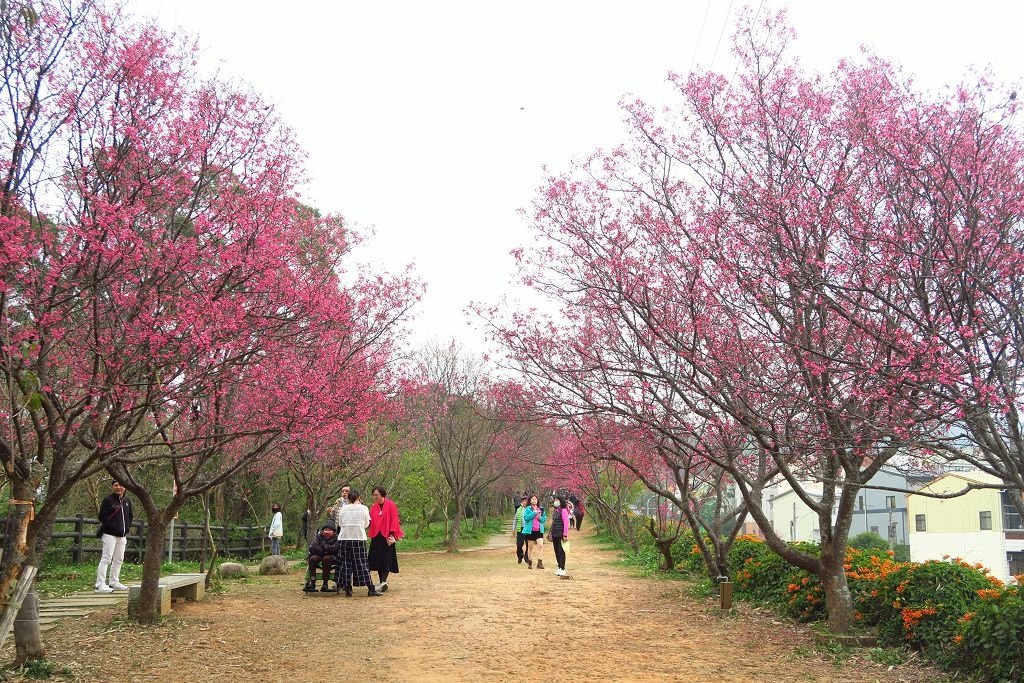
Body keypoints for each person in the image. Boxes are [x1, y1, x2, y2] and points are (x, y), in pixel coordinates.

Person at [337, 488, 384, 597]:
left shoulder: (343, 509)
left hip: (344, 538)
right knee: (362, 564)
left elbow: (340, 523)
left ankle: (347, 587)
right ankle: (370, 588)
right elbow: (367, 523)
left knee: (345, 564)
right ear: (358, 497)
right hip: (358, 538)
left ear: (348, 498)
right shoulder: (363, 508)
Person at [95, 479, 134, 593]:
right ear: (113, 487)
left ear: (125, 487)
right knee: (106, 558)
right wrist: (113, 527)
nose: (119, 487)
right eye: (116, 485)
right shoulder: (108, 500)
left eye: (121, 485)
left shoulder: (127, 501)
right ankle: (100, 584)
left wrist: (126, 528)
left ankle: (114, 581)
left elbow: (130, 516)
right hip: (109, 534)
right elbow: (102, 517)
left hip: (122, 536)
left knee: (119, 559)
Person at [366, 486, 403, 592]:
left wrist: (392, 534)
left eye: (376, 494)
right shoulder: (373, 507)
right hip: (377, 536)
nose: (374, 497)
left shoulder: (391, 505)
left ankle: (383, 581)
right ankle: (381, 582)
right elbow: (370, 521)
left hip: (387, 535)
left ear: (382, 494)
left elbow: (394, 520)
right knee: (378, 559)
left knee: (386, 558)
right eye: (373, 495)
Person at [305, 522, 342, 592]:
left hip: (332, 556)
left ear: (334, 532)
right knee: (312, 559)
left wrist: (324, 546)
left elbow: (336, 549)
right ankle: (312, 582)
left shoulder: (337, 538)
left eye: (329, 530)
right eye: (326, 530)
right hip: (320, 554)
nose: (327, 531)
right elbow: (313, 547)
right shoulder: (318, 537)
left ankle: (325, 583)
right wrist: (325, 550)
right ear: (322, 531)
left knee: (326, 559)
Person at [523, 494, 547, 570]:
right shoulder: (528, 509)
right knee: (530, 548)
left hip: (539, 530)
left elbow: (544, 520)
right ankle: (529, 562)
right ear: (530, 501)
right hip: (530, 531)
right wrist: (534, 513)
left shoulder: (541, 509)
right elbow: (526, 518)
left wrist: (539, 517)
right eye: (532, 499)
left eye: (535, 499)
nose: (534, 500)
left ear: (537, 501)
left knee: (540, 545)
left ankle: (540, 563)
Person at [550, 494, 571, 576]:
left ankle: (563, 568)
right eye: (555, 500)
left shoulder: (564, 511)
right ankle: (559, 567)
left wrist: (565, 535)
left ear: (561, 501)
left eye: (557, 500)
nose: (555, 502)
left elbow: (566, 523)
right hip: (555, 533)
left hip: (561, 534)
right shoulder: (556, 511)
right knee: (556, 551)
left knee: (561, 551)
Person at [513, 495, 531, 566]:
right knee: (519, 544)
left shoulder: (530, 509)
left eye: (526, 501)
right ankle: (520, 556)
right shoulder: (519, 510)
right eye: (523, 501)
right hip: (520, 529)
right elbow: (515, 519)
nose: (525, 502)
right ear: (521, 502)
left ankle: (526, 557)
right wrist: (513, 529)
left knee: (528, 544)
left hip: (528, 529)